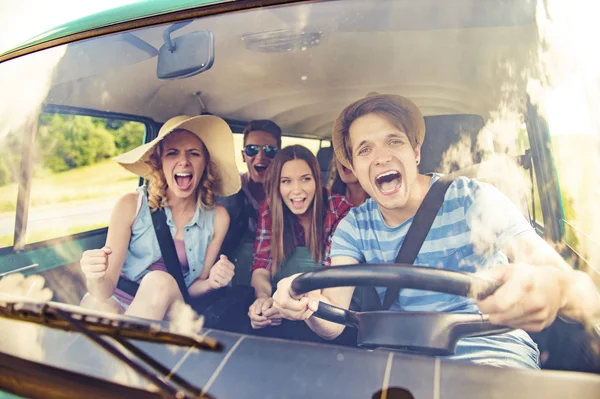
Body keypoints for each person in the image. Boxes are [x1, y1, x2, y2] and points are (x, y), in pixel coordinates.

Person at [272, 94, 600, 368]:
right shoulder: (353, 227)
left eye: (393, 141)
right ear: (354, 169)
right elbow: (331, 321)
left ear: (415, 152)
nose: (381, 157)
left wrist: (556, 288)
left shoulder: (475, 200)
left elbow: (587, 295)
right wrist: (307, 305)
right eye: (365, 149)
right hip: (394, 363)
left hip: (492, 358)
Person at [79, 115, 241, 321]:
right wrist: (96, 276)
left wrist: (212, 282)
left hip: (172, 307)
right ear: (160, 162)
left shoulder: (218, 218)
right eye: (172, 153)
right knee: (95, 304)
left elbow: (192, 289)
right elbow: (103, 290)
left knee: (158, 282)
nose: (184, 161)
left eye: (194, 153)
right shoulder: (130, 205)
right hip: (118, 300)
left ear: (205, 164)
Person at [248, 145, 352, 334]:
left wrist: (292, 303)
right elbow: (261, 267)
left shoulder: (339, 208)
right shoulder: (270, 210)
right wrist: (264, 300)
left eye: (305, 179)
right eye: (286, 181)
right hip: (281, 308)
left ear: (317, 180)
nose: (296, 190)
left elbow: (333, 274)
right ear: (277, 185)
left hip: (326, 312)